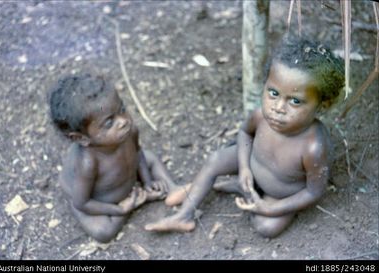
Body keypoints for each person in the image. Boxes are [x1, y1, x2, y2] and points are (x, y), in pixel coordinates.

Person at [145, 35, 344, 238]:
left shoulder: (313, 147)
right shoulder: (261, 116)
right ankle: (184, 216)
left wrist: (271, 209)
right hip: (251, 165)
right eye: (273, 93)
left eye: (294, 101)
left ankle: (230, 188)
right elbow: (244, 133)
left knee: (266, 228)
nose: (278, 108)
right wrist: (244, 168)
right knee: (216, 159)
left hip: (278, 194)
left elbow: (313, 192)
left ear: (323, 105)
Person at [49, 74, 190, 243]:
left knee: (150, 157)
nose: (123, 121)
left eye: (121, 109)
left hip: (126, 178)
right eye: (109, 123)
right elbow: (83, 203)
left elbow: (138, 154)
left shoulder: (130, 131)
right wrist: (119, 209)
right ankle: (133, 202)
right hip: (96, 200)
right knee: (103, 232)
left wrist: (147, 182)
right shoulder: (87, 163)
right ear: (81, 138)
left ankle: (173, 188)